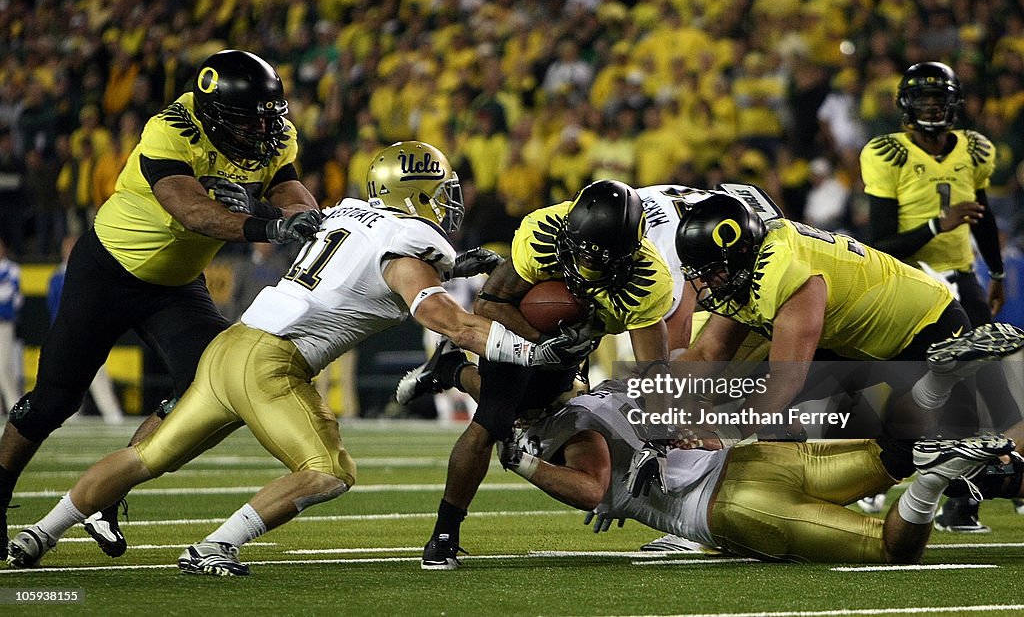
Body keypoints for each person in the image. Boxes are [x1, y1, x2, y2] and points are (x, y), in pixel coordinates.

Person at [7, 141, 592, 575]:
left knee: (145, 457)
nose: (447, 206)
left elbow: (363, 266)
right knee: (331, 471)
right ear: (416, 196)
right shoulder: (412, 244)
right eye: (440, 195)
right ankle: (216, 545)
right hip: (273, 364)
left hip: (228, 347)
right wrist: (532, 352)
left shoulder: (343, 212)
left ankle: (36, 534)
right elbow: (445, 318)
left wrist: (453, 266)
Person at [0, 50, 324, 557]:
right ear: (215, 114)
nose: (264, 127)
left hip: (176, 284)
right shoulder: (171, 129)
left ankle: (110, 489)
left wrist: (295, 215)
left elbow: (292, 193)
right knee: (53, 400)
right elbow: (191, 210)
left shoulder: (275, 135)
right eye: (250, 117)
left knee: (217, 389)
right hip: (108, 269)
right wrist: (268, 226)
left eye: (269, 113)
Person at [400, 179, 674, 570]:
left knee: (531, 408)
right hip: (519, 328)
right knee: (493, 420)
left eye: (601, 261)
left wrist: (657, 442)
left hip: (569, 347)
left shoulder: (648, 281)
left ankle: (452, 369)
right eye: (582, 256)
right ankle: (444, 535)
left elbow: (655, 371)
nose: (588, 269)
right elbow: (489, 304)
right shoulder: (541, 232)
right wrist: (538, 343)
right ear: (570, 236)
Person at [494, 379, 1015, 563]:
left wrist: (522, 463)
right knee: (889, 454)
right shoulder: (601, 394)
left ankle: (934, 478)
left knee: (887, 547)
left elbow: (593, 487)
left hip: (731, 507)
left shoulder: (558, 429)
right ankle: (941, 409)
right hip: (754, 457)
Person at [667, 193, 1024, 455]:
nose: (707, 284)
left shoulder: (784, 273)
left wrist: (723, 431)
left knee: (929, 454)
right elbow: (707, 351)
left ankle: (947, 381)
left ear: (739, 252)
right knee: (742, 388)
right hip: (856, 337)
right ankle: (782, 482)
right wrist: (657, 398)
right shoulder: (747, 267)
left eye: (712, 272)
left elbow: (785, 382)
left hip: (925, 325)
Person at [861, 61, 1022, 532]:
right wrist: (937, 224)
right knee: (909, 382)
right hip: (910, 281)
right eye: (924, 99)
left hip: (960, 274)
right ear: (906, 106)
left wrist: (994, 271)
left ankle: (990, 482)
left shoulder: (974, 149)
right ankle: (881, 474)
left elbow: (983, 215)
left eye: (939, 98)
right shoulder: (887, 152)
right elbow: (880, 242)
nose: (932, 107)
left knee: (993, 379)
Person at [47, 235, 123, 424]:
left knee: (97, 373)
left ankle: (112, 413)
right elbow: (54, 306)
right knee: (67, 376)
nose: (69, 251)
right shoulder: (57, 276)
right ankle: (70, 414)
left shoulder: (88, 271)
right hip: (66, 330)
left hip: (88, 330)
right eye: (67, 247)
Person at [0, 238, 22, 414]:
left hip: (5, 323)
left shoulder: (11, 268)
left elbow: (8, 295)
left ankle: (15, 408)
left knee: (3, 368)